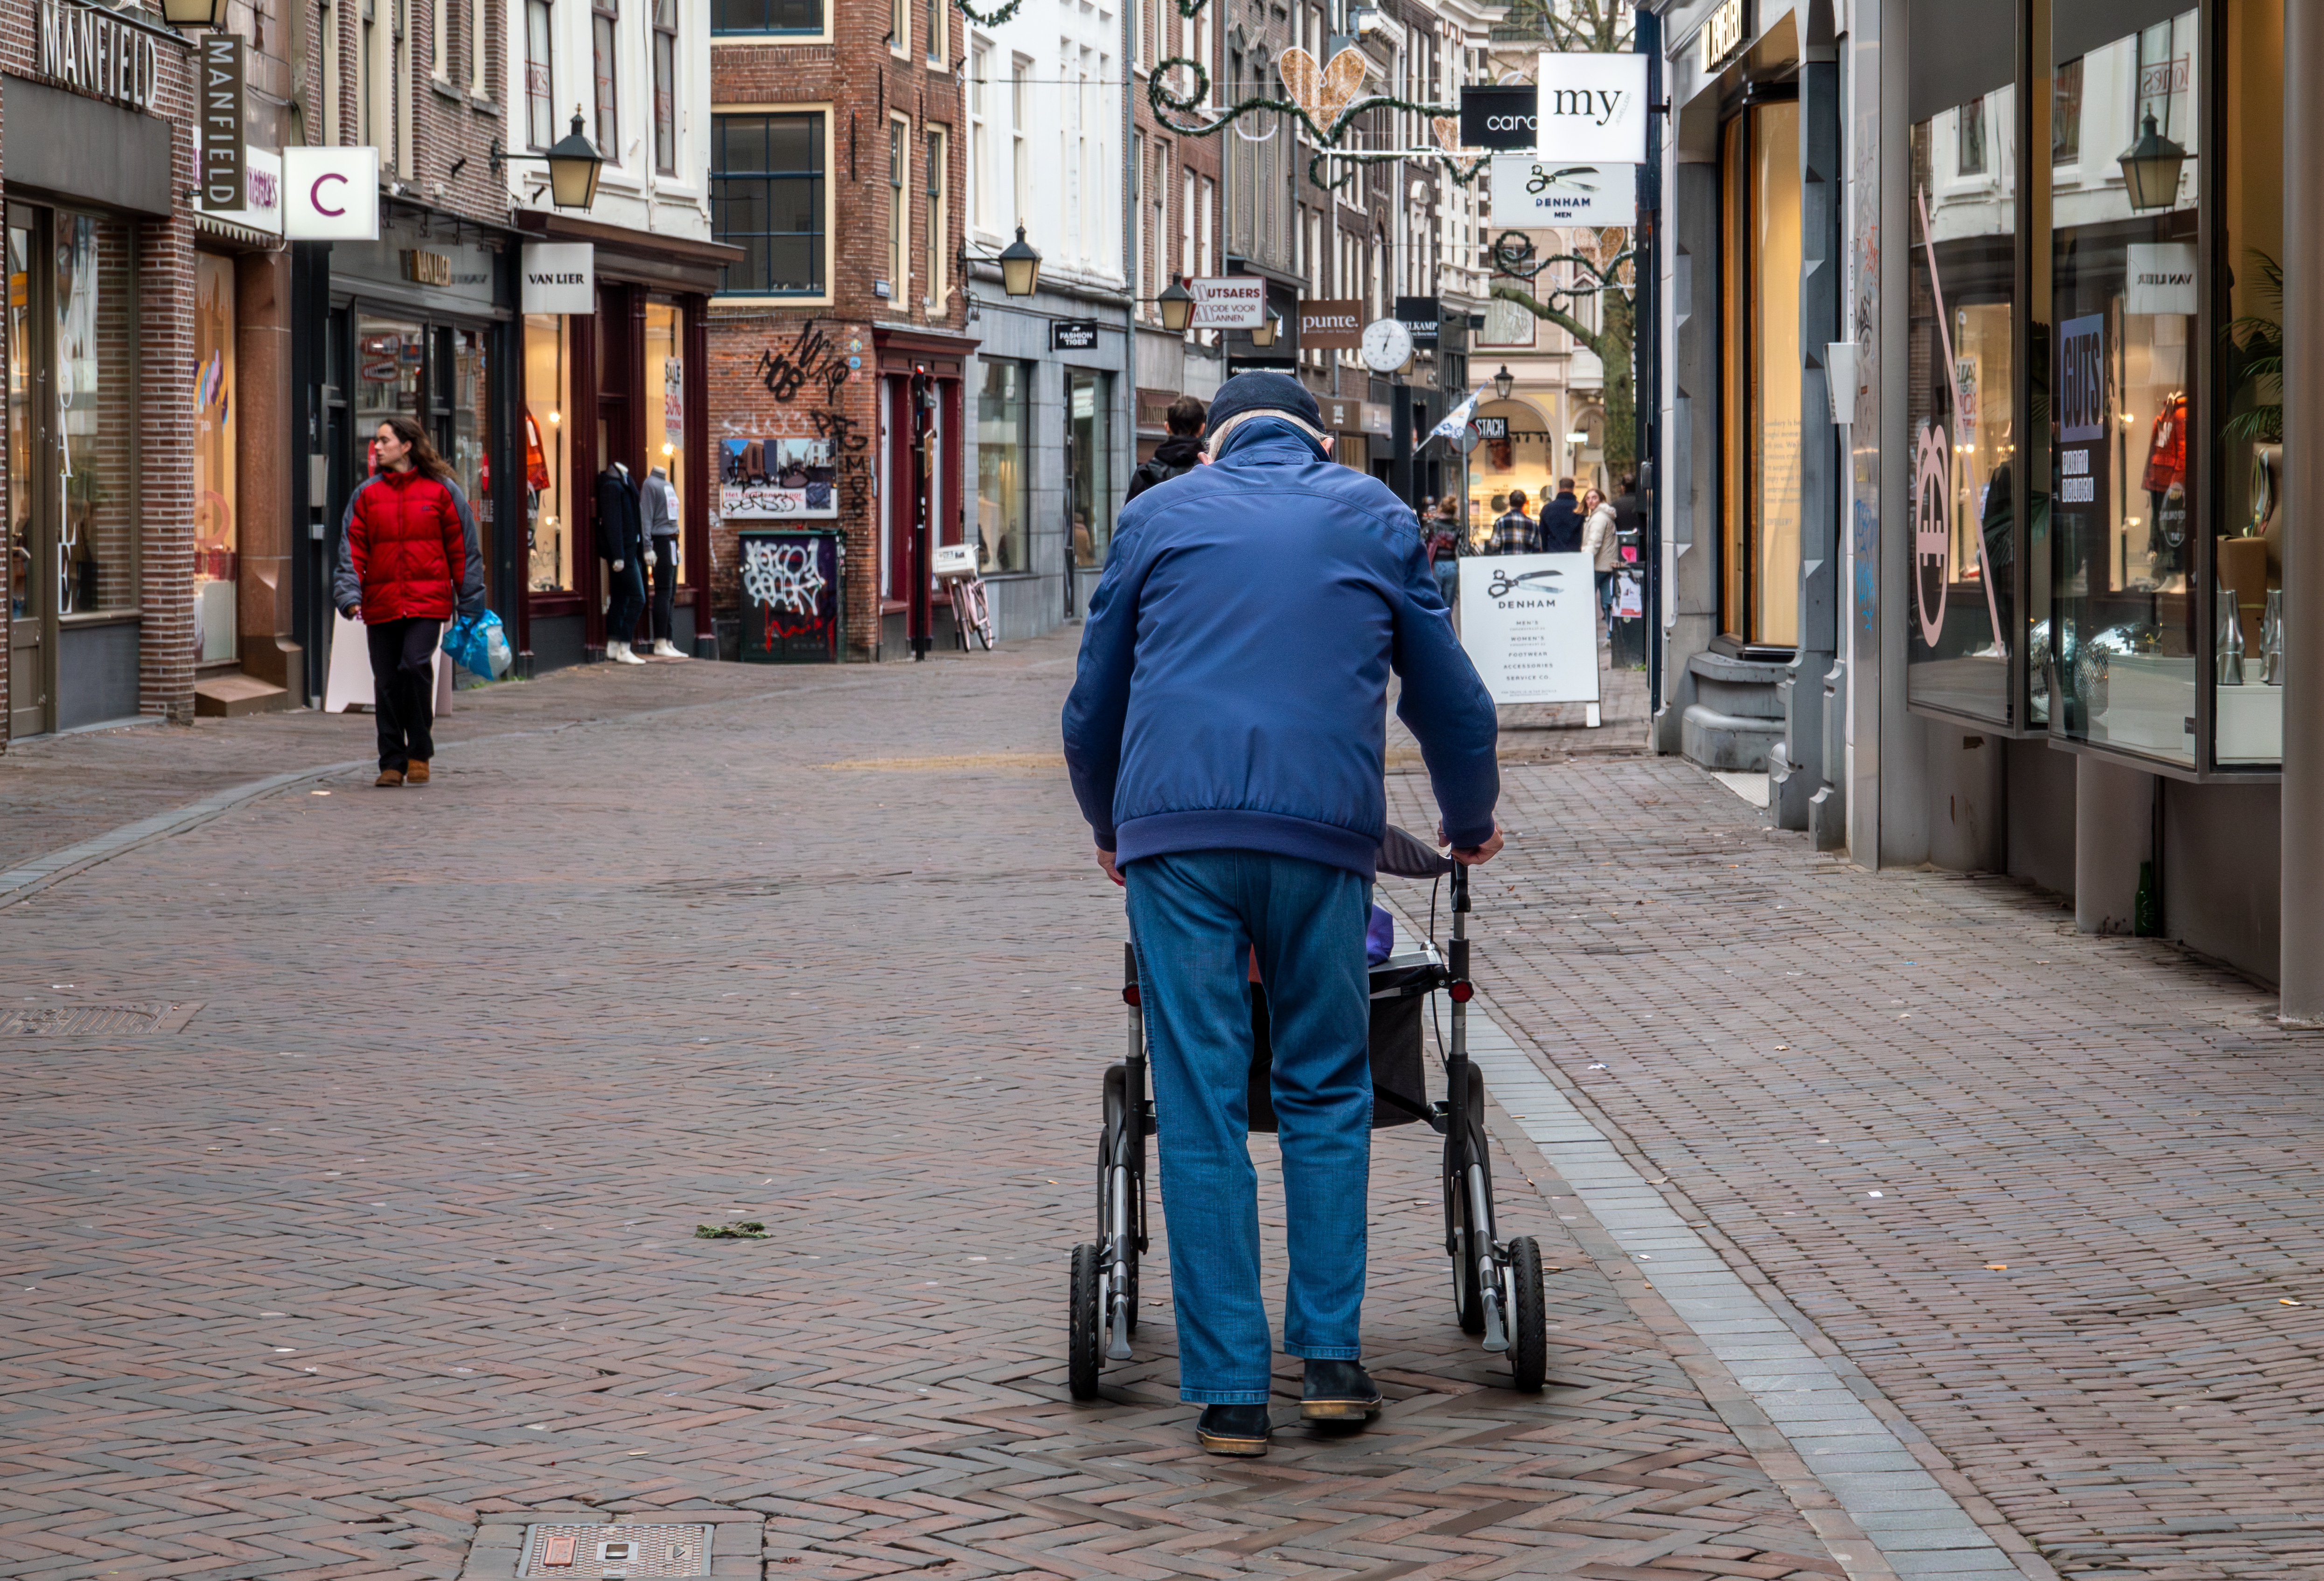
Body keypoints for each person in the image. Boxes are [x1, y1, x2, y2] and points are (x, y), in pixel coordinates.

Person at [1062, 371, 1503, 1459]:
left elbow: (1093, 703)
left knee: (1205, 1098)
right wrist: (1467, 818)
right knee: (1324, 1084)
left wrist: (1107, 824)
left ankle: (1228, 1394)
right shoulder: (1375, 515)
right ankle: (1331, 1362)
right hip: (1321, 839)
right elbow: (1448, 695)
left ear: (1211, 445)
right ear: (1316, 441)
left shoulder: (1154, 516)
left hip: (1180, 839)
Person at [332, 416, 484, 788]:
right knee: (385, 682)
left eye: (384, 440)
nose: (377, 447)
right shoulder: (366, 495)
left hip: (426, 603)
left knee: (414, 667)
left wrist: (471, 605)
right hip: (380, 603)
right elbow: (351, 552)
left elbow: (465, 551)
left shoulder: (443, 492)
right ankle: (391, 762)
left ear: (406, 445)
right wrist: (349, 596)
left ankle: (419, 751)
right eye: (376, 441)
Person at [596, 460, 649, 664]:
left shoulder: (626, 483)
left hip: (629, 550)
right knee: (638, 597)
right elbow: (613, 523)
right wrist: (618, 555)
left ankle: (613, 645)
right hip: (624, 553)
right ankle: (625, 646)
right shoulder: (612, 486)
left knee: (619, 598)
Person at [642, 464, 688, 659]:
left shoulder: (667, 484)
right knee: (663, 592)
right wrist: (647, 547)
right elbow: (646, 517)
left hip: (671, 541)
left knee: (671, 593)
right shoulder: (650, 485)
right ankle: (660, 641)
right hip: (660, 541)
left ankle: (668, 641)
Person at [1126, 394, 1207, 501]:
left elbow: (1130, 516)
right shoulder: (1210, 471)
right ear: (1202, 428)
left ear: (1167, 427)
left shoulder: (1144, 475)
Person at [1580, 485, 1619, 621]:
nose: (1590, 501)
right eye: (1588, 499)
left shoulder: (1599, 518)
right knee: (1607, 601)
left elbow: (1594, 542)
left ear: (1601, 500)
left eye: (1594, 498)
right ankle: (1611, 633)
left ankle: (1585, 629)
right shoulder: (1605, 516)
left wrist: (1585, 560)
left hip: (1597, 566)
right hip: (1607, 565)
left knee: (1584, 600)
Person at [1539, 476, 1584, 554]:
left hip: (1553, 551)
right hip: (1574, 553)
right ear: (1573, 489)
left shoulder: (1547, 508)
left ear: (1559, 489)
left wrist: (1545, 549)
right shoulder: (1580, 509)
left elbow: (1543, 533)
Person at [1488, 489, 1539, 555]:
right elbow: (1537, 548)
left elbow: (1494, 546)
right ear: (1524, 503)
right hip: (1526, 564)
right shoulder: (1533, 524)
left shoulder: (1501, 522)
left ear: (1510, 502)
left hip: (1506, 563)